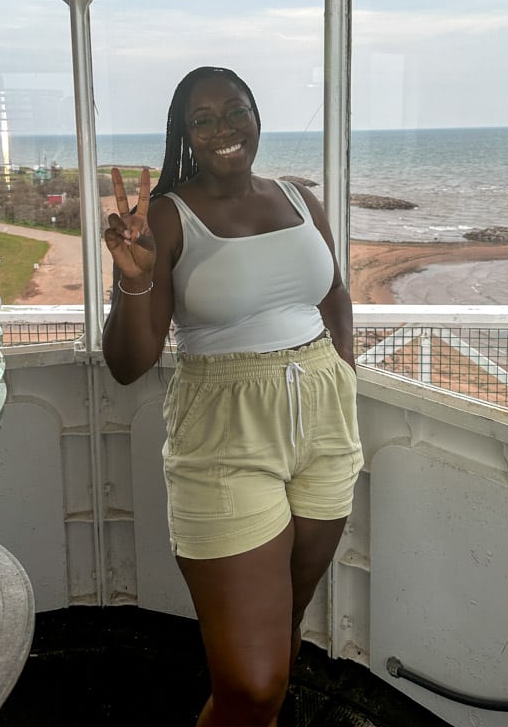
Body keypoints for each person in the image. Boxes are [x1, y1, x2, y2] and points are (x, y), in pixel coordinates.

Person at [103, 66, 363, 727]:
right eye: (203, 118)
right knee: (249, 680)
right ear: (185, 135)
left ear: (255, 114)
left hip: (325, 426)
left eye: (235, 109)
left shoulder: (301, 197)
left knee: (282, 637)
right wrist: (131, 280)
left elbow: (335, 297)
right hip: (225, 434)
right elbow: (130, 364)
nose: (224, 128)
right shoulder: (167, 215)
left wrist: (343, 378)